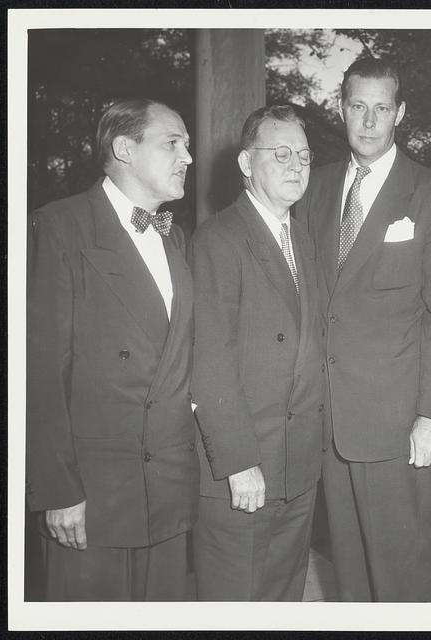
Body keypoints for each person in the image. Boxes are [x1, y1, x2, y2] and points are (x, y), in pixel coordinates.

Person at [294, 57, 431, 602]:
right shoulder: (313, 190)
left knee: (402, 576)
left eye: (382, 108)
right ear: (341, 109)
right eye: (358, 107)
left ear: (400, 114)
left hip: (396, 428)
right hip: (327, 423)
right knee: (351, 576)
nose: (369, 121)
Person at [26, 99, 198, 601]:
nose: (188, 156)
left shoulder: (176, 239)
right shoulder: (58, 227)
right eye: (173, 143)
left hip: (167, 487)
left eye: (186, 144)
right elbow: (37, 371)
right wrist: (57, 491)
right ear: (124, 148)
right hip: (92, 496)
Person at [189, 105, 325, 601]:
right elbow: (209, 362)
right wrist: (239, 461)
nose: (297, 166)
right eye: (282, 154)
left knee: (283, 600)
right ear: (247, 163)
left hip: (297, 469)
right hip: (243, 472)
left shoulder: (304, 240)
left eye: (305, 156)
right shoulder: (218, 239)